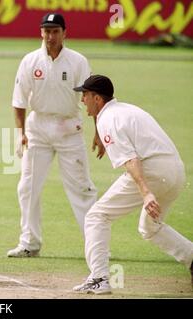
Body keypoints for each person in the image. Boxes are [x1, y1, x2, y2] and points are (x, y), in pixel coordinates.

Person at [72, 75, 193, 294]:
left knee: (96, 216)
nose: (82, 101)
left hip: (153, 172)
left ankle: (99, 278)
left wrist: (146, 193)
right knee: (149, 228)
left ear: (97, 98)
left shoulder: (108, 119)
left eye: (85, 95)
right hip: (176, 171)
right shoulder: (126, 109)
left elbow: (131, 160)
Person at [7, 13, 101, 257]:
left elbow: (90, 98)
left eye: (55, 31)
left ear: (64, 33)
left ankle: (96, 245)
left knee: (81, 189)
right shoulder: (30, 61)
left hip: (69, 127)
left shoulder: (77, 61)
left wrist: (99, 132)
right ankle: (29, 243)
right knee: (27, 187)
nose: (50, 36)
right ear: (41, 32)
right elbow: (18, 100)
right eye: (46, 31)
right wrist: (21, 134)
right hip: (37, 127)